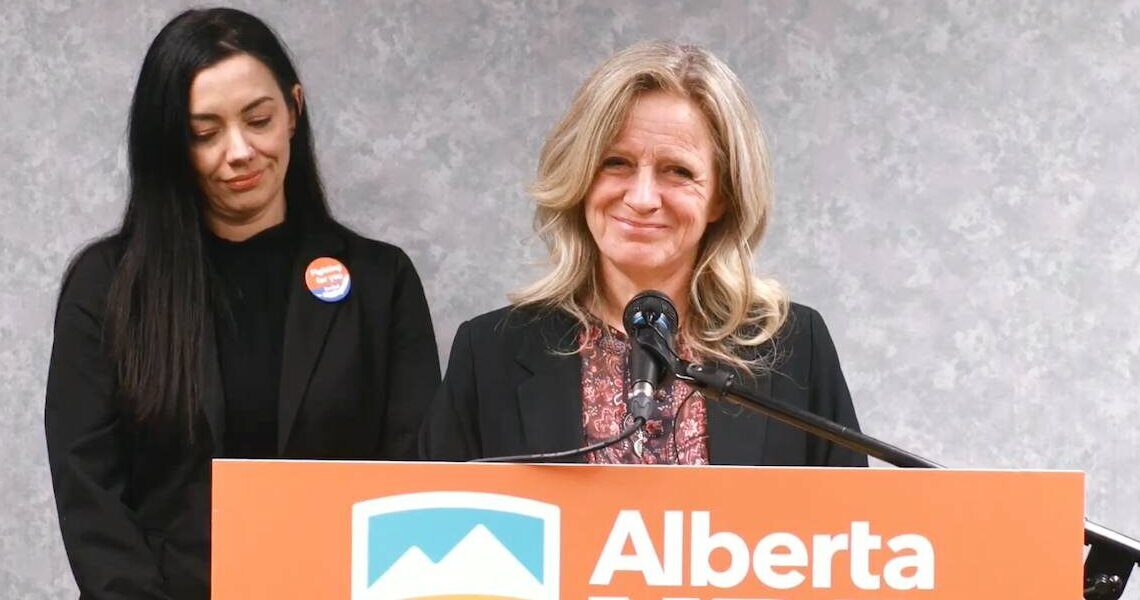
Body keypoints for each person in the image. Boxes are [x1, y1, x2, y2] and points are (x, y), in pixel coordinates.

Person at [45, 8, 440, 599]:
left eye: (258, 119)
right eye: (204, 133)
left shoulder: (381, 281)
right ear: (168, 144)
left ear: (294, 111)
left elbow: (415, 477)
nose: (240, 152)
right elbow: (90, 493)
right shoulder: (106, 286)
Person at [421, 41, 865, 467]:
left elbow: (850, 529)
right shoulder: (491, 351)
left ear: (722, 197)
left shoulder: (793, 346)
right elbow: (430, 522)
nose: (643, 197)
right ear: (580, 177)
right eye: (616, 163)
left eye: (678, 171)